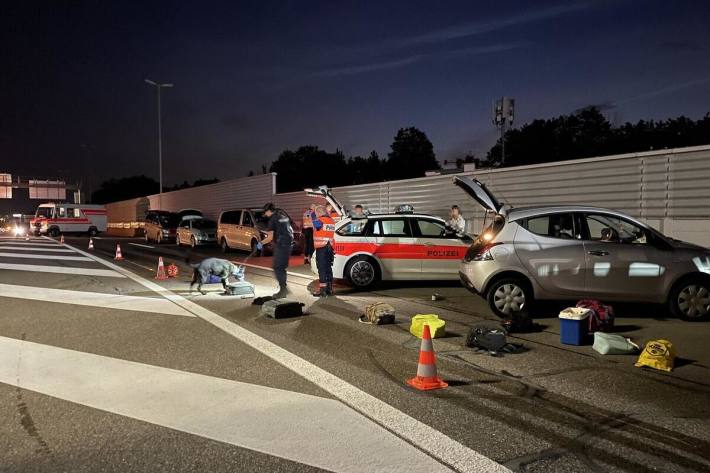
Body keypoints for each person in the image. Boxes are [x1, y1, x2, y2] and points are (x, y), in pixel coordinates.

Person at [258, 203, 294, 298]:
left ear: (269, 211)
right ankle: (284, 288)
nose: (265, 214)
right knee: (281, 267)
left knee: (277, 267)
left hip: (281, 245)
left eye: (265, 212)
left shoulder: (273, 219)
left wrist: (260, 243)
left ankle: (283, 290)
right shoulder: (283, 216)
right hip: (289, 244)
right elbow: (287, 229)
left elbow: (270, 238)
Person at [310, 205, 336, 297]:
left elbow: (315, 221)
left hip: (322, 248)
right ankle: (329, 289)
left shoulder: (320, 221)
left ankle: (323, 290)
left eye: (317, 213)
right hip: (330, 247)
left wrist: (313, 211)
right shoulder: (331, 221)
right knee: (328, 268)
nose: (316, 215)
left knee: (322, 269)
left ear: (320, 213)